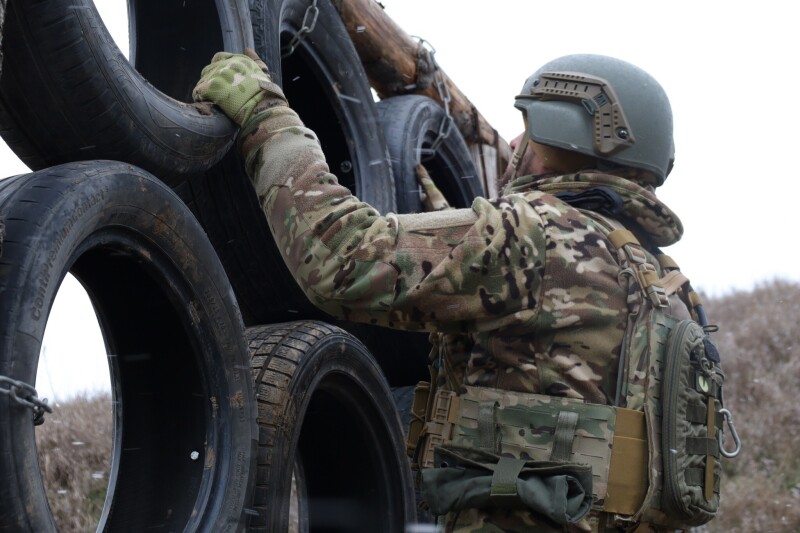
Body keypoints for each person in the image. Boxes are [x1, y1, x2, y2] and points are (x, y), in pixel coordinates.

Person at [193, 50, 688, 532]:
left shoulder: (532, 235)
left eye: (530, 128)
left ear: (568, 134)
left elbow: (341, 258)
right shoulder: (666, 285)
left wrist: (266, 116)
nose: (515, 143)